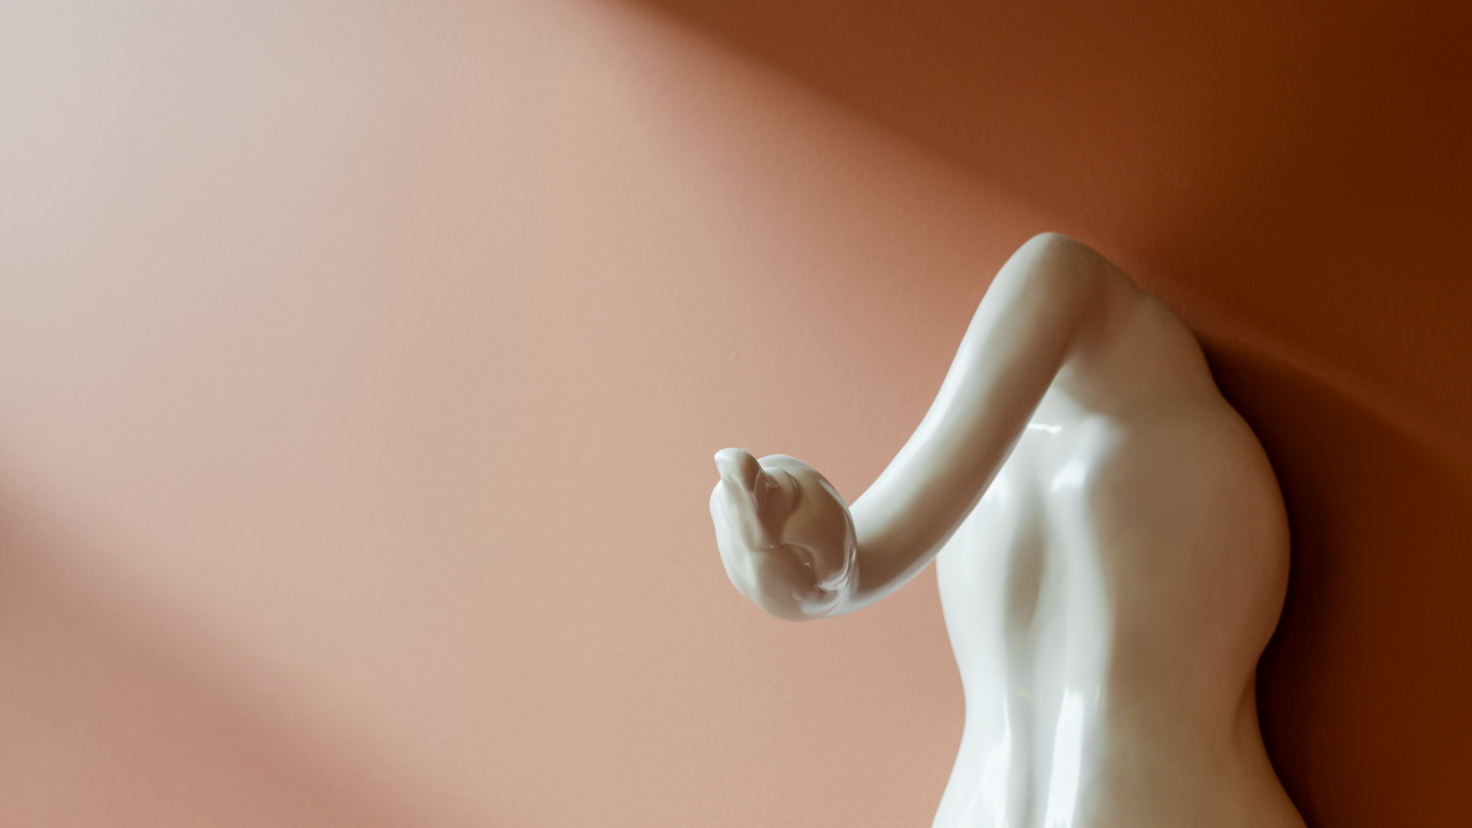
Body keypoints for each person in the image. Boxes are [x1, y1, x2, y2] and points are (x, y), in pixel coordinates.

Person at [709, 233, 1304, 827]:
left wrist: (835, 573)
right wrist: (833, 570)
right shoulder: (1024, 482)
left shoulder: (1133, 445)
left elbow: (1058, 277)